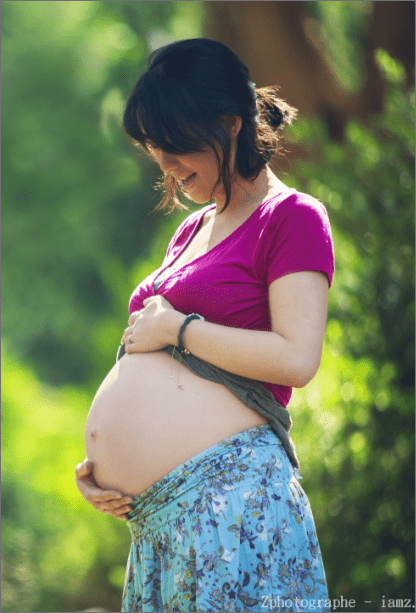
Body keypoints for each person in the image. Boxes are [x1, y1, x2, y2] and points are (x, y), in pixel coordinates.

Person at [75, 38, 334, 612]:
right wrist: (105, 468)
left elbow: (297, 358)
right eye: (153, 149)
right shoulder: (189, 233)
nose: (163, 165)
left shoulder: (292, 218)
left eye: (173, 146)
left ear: (228, 123)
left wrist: (178, 329)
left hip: (235, 507)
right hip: (161, 526)